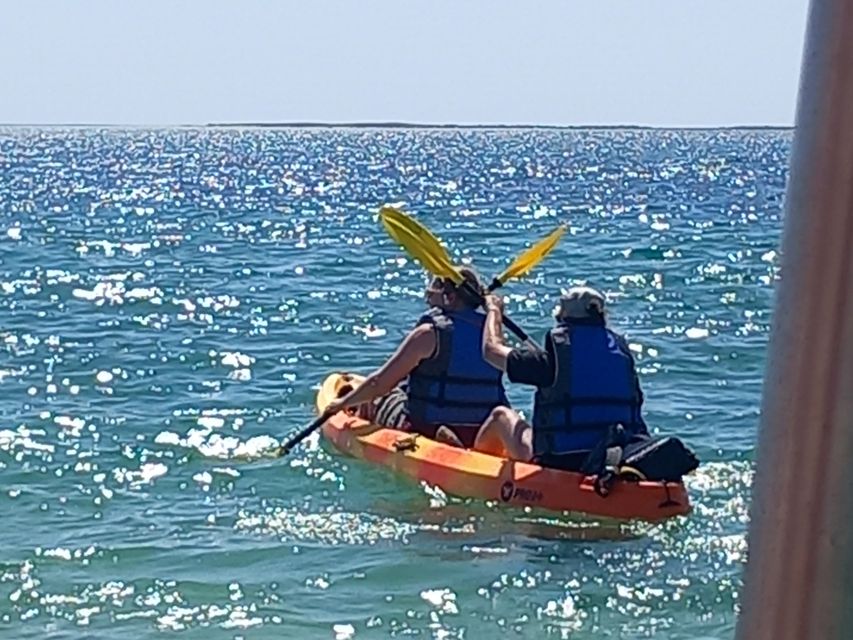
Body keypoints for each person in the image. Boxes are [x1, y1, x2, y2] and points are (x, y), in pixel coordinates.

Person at [323, 267, 510, 446]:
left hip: (426, 426)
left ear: (450, 297)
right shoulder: (493, 334)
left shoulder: (429, 333)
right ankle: (479, 442)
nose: (428, 297)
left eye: (433, 291)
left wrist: (342, 403)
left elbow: (378, 384)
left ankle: (441, 437)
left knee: (378, 397)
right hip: (482, 426)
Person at [474, 286, 649, 471]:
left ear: (561, 318)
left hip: (563, 461)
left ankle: (474, 470)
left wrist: (494, 310)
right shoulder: (622, 356)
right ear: (602, 316)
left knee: (500, 416)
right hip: (620, 456)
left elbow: (491, 351)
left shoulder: (552, 361)